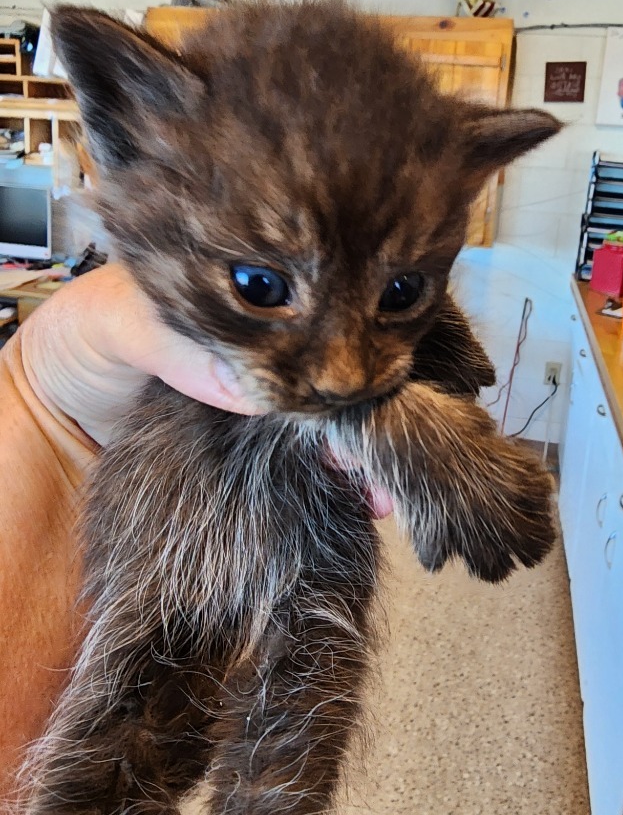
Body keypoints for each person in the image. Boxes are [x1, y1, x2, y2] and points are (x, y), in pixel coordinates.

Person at [0, 264, 391, 795]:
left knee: (283, 719)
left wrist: (41, 399)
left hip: (227, 508)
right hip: (157, 498)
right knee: (145, 723)